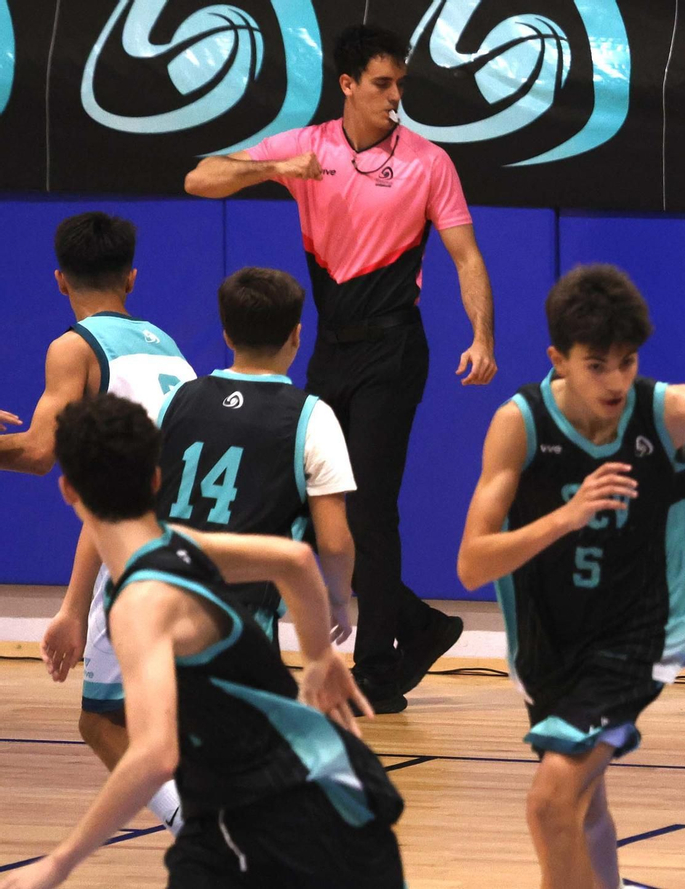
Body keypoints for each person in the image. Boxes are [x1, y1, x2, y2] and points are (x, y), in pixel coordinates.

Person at [184, 24, 496, 712]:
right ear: (348, 85)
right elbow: (199, 177)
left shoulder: (427, 161)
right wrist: (273, 169)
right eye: (382, 84)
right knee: (321, 503)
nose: (394, 97)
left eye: (400, 85)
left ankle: (378, 669)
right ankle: (418, 624)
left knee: (372, 506)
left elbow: (466, 256)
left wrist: (481, 335)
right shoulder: (308, 146)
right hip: (331, 348)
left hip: (395, 347)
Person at [457, 265, 685, 888]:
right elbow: (473, 564)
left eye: (628, 362)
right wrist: (568, 515)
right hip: (549, 637)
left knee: (549, 803)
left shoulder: (665, 413)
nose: (616, 381)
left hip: (642, 629)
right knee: (585, 805)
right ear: (559, 359)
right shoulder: (519, 424)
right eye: (597, 365)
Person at [0, 394, 403, 889]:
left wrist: (59, 862)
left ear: (67, 491)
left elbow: (154, 755)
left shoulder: (140, 604)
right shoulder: (181, 544)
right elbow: (293, 560)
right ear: (155, 479)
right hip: (297, 796)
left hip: (291, 821)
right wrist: (319, 656)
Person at [0, 211, 196, 831]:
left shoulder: (74, 347)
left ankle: (205, 838)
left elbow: (37, 452)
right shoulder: (165, 342)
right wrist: (72, 606)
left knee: (103, 722)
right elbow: (105, 485)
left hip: (143, 552)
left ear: (60, 280)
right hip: (203, 540)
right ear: (132, 278)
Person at [155, 267, 357, 647]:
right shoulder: (311, 416)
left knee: (161, 707)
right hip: (240, 614)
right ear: (297, 335)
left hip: (156, 602)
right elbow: (333, 542)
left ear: (227, 334)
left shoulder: (174, 400)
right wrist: (337, 600)